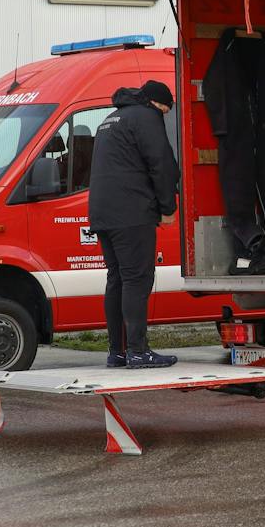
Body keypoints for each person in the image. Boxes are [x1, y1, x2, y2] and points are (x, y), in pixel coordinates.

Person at [88, 79, 181, 369]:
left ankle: (117, 352)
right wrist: (168, 206)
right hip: (131, 212)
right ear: (157, 103)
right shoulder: (146, 116)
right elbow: (161, 163)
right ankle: (139, 352)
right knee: (137, 279)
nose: (164, 116)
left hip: (103, 212)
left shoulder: (112, 117)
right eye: (166, 111)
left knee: (117, 279)